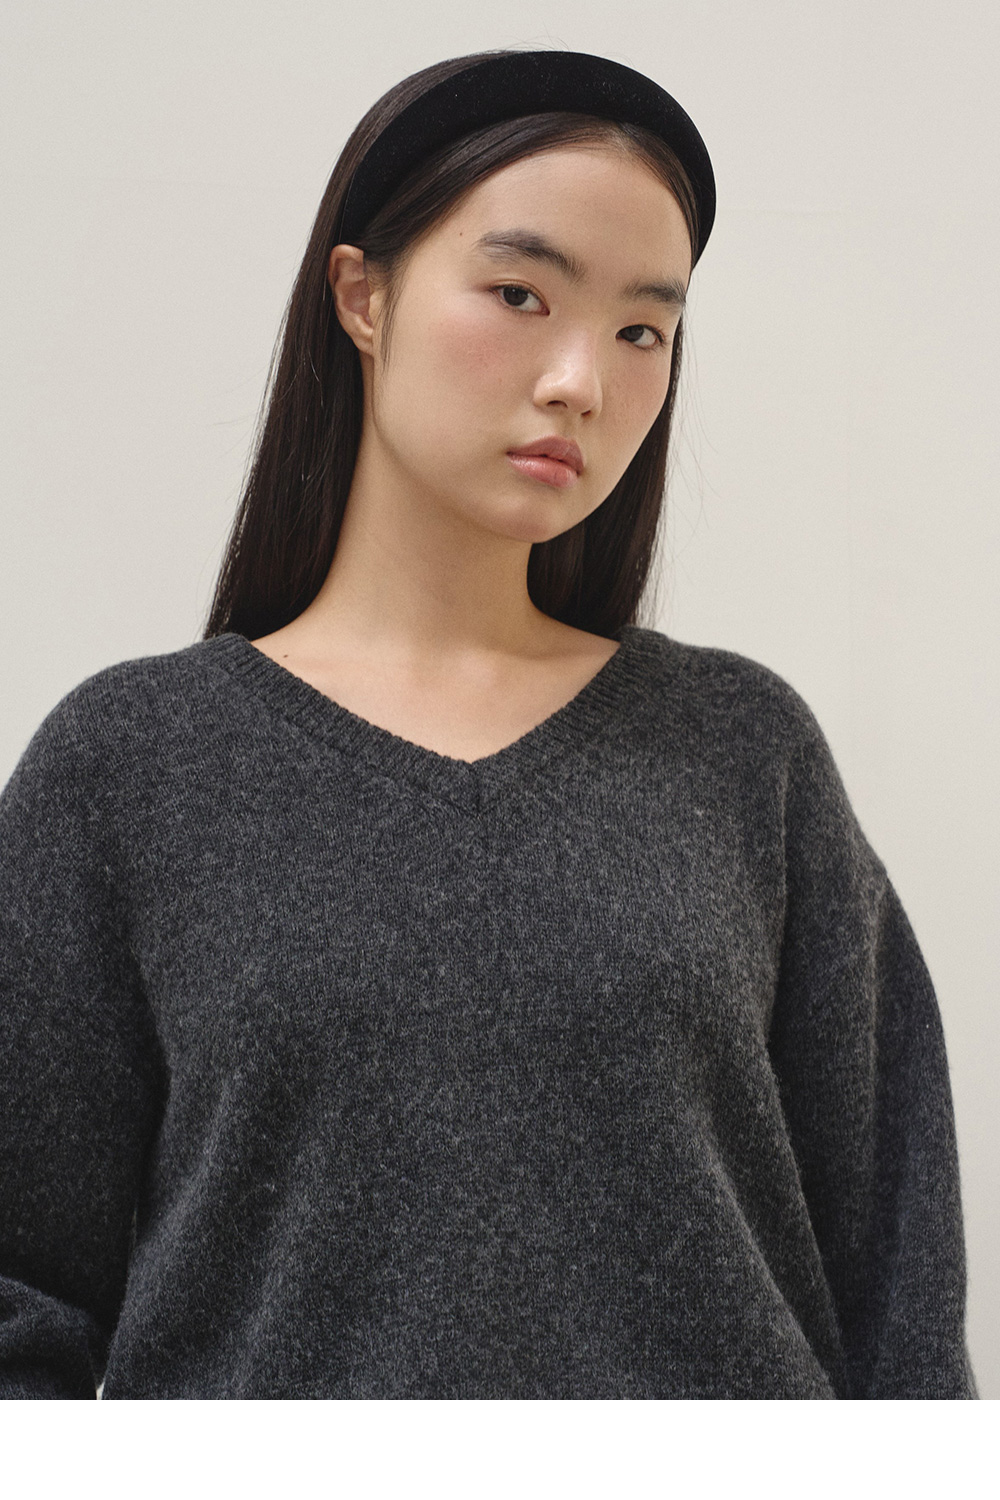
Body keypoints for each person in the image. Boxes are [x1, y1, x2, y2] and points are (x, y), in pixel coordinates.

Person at [0, 48, 977, 1399]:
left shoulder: (744, 753)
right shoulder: (130, 766)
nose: (581, 379)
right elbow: (21, 1299)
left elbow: (901, 1297)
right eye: (521, 294)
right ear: (364, 295)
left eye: (643, 331)